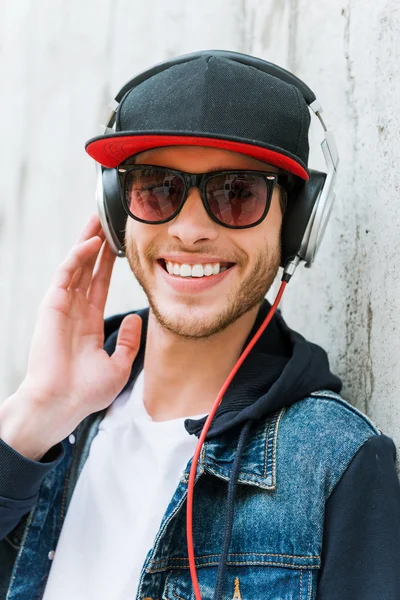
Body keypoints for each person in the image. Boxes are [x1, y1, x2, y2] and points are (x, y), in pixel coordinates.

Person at [0, 51, 399, 600]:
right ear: (119, 210)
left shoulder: (339, 462)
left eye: (238, 194)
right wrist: (32, 418)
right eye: (157, 187)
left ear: (298, 225)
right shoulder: (45, 434)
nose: (190, 230)